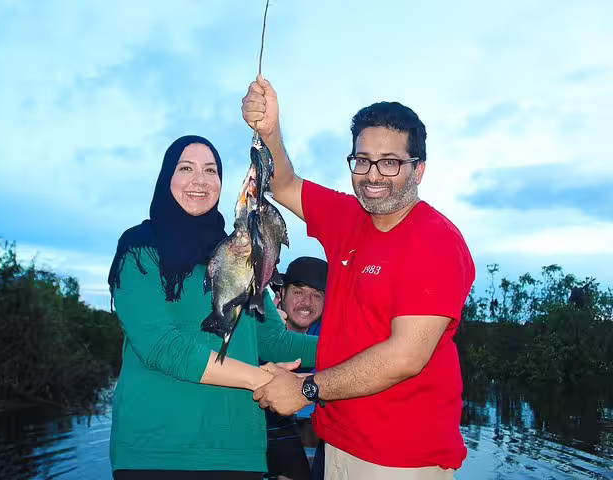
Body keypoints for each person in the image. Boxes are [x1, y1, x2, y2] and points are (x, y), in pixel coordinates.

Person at [241, 77, 476, 479]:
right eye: (362, 160)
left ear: (418, 170)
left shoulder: (436, 241)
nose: (372, 175)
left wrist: (304, 388)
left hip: (401, 459)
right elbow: (282, 184)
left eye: (390, 162)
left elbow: (405, 357)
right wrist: (270, 129)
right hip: (337, 442)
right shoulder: (348, 218)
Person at [106, 135, 318, 480]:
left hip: (238, 452)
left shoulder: (242, 253)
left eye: (211, 170)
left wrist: (363, 347)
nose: (200, 180)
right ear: (166, 178)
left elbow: (274, 342)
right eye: (186, 168)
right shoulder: (138, 249)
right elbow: (160, 346)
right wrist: (257, 378)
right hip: (156, 453)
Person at [265, 257, 327, 480]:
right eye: (299, 292)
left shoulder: (322, 332)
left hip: (291, 434)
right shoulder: (257, 323)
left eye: (317, 295)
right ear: (281, 294)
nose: (307, 303)